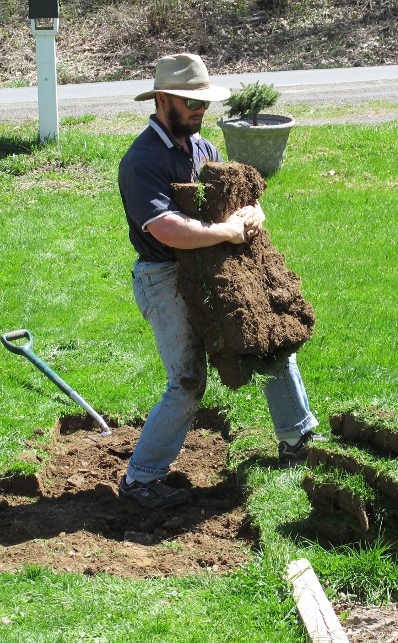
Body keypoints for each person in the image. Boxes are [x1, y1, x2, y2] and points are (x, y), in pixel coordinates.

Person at [117, 53, 320, 510]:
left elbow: (244, 198)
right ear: (163, 98)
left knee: (267, 338)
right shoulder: (143, 160)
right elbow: (166, 228)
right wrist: (226, 232)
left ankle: (298, 439)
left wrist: (252, 213)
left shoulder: (204, 150)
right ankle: (141, 480)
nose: (198, 110)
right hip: (164, 274)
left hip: (214, 267)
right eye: (189, 102)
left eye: (202, 102)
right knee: (188, 379)